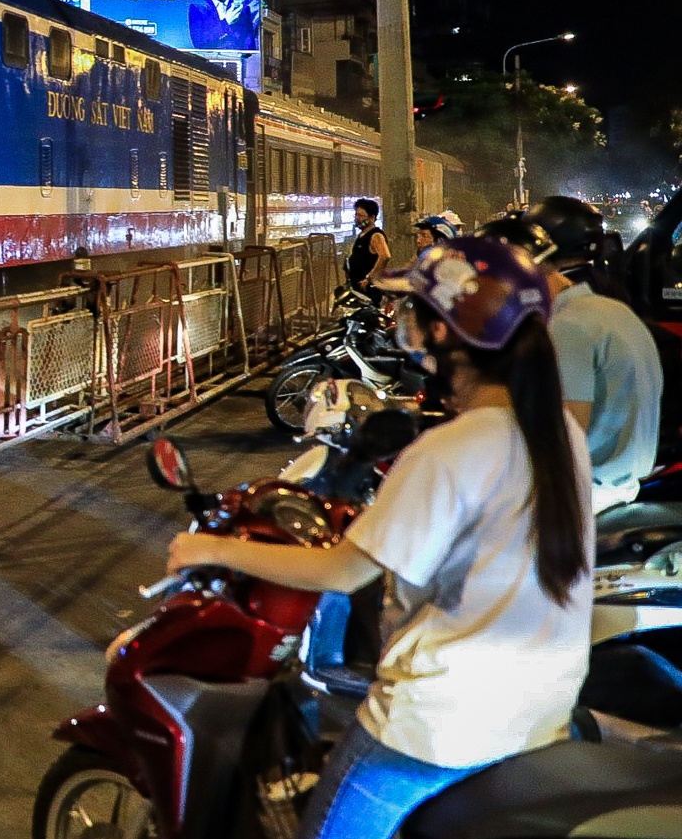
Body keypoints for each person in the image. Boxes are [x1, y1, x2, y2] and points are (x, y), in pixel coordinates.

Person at [169, 236, 592, 839]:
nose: (404, 326)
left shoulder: (452, 448)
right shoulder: (558, 436)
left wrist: (206, 548)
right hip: (539, 716)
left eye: (414, 313)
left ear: (445, 334)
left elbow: (343, 572)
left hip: (438, 725)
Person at [482, 197, 663, 513]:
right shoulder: (608, 309)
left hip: (591, 493)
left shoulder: (568, 327)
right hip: (622, 484)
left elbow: (566, 436)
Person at [347, 198, 392, 300]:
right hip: (358, 289)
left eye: (361, 215)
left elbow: (385, 256)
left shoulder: (376, 235)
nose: (357, 218)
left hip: (369, 292)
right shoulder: (362, 235)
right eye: (356, 215)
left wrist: (369, 278)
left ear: (372, 217)